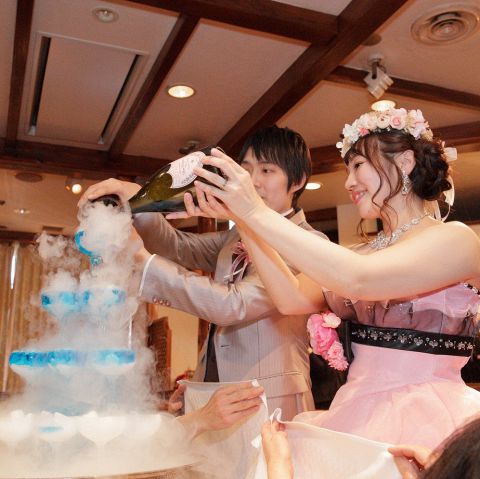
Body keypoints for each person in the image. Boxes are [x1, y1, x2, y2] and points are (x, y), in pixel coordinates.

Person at [180, 107, 480, 449]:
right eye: (347, 170)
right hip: (355, 412)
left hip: (430, 416)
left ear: (405, 162)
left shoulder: (455, 239)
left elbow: (359, 280)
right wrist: (245, 222)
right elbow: (290, 298)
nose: (349, 182)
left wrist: (254, 209)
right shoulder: (360, 252)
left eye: (358, 165)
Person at [79, 125, 340, 420]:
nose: (253, 181)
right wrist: (138, 199)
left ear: (298, 181)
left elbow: (233, 304)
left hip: (270, 398)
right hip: (217, 396)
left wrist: (140, 258)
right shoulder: (234, 236)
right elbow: (176, 246)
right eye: (245, 170)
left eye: (267, 171)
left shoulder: (307, 242)